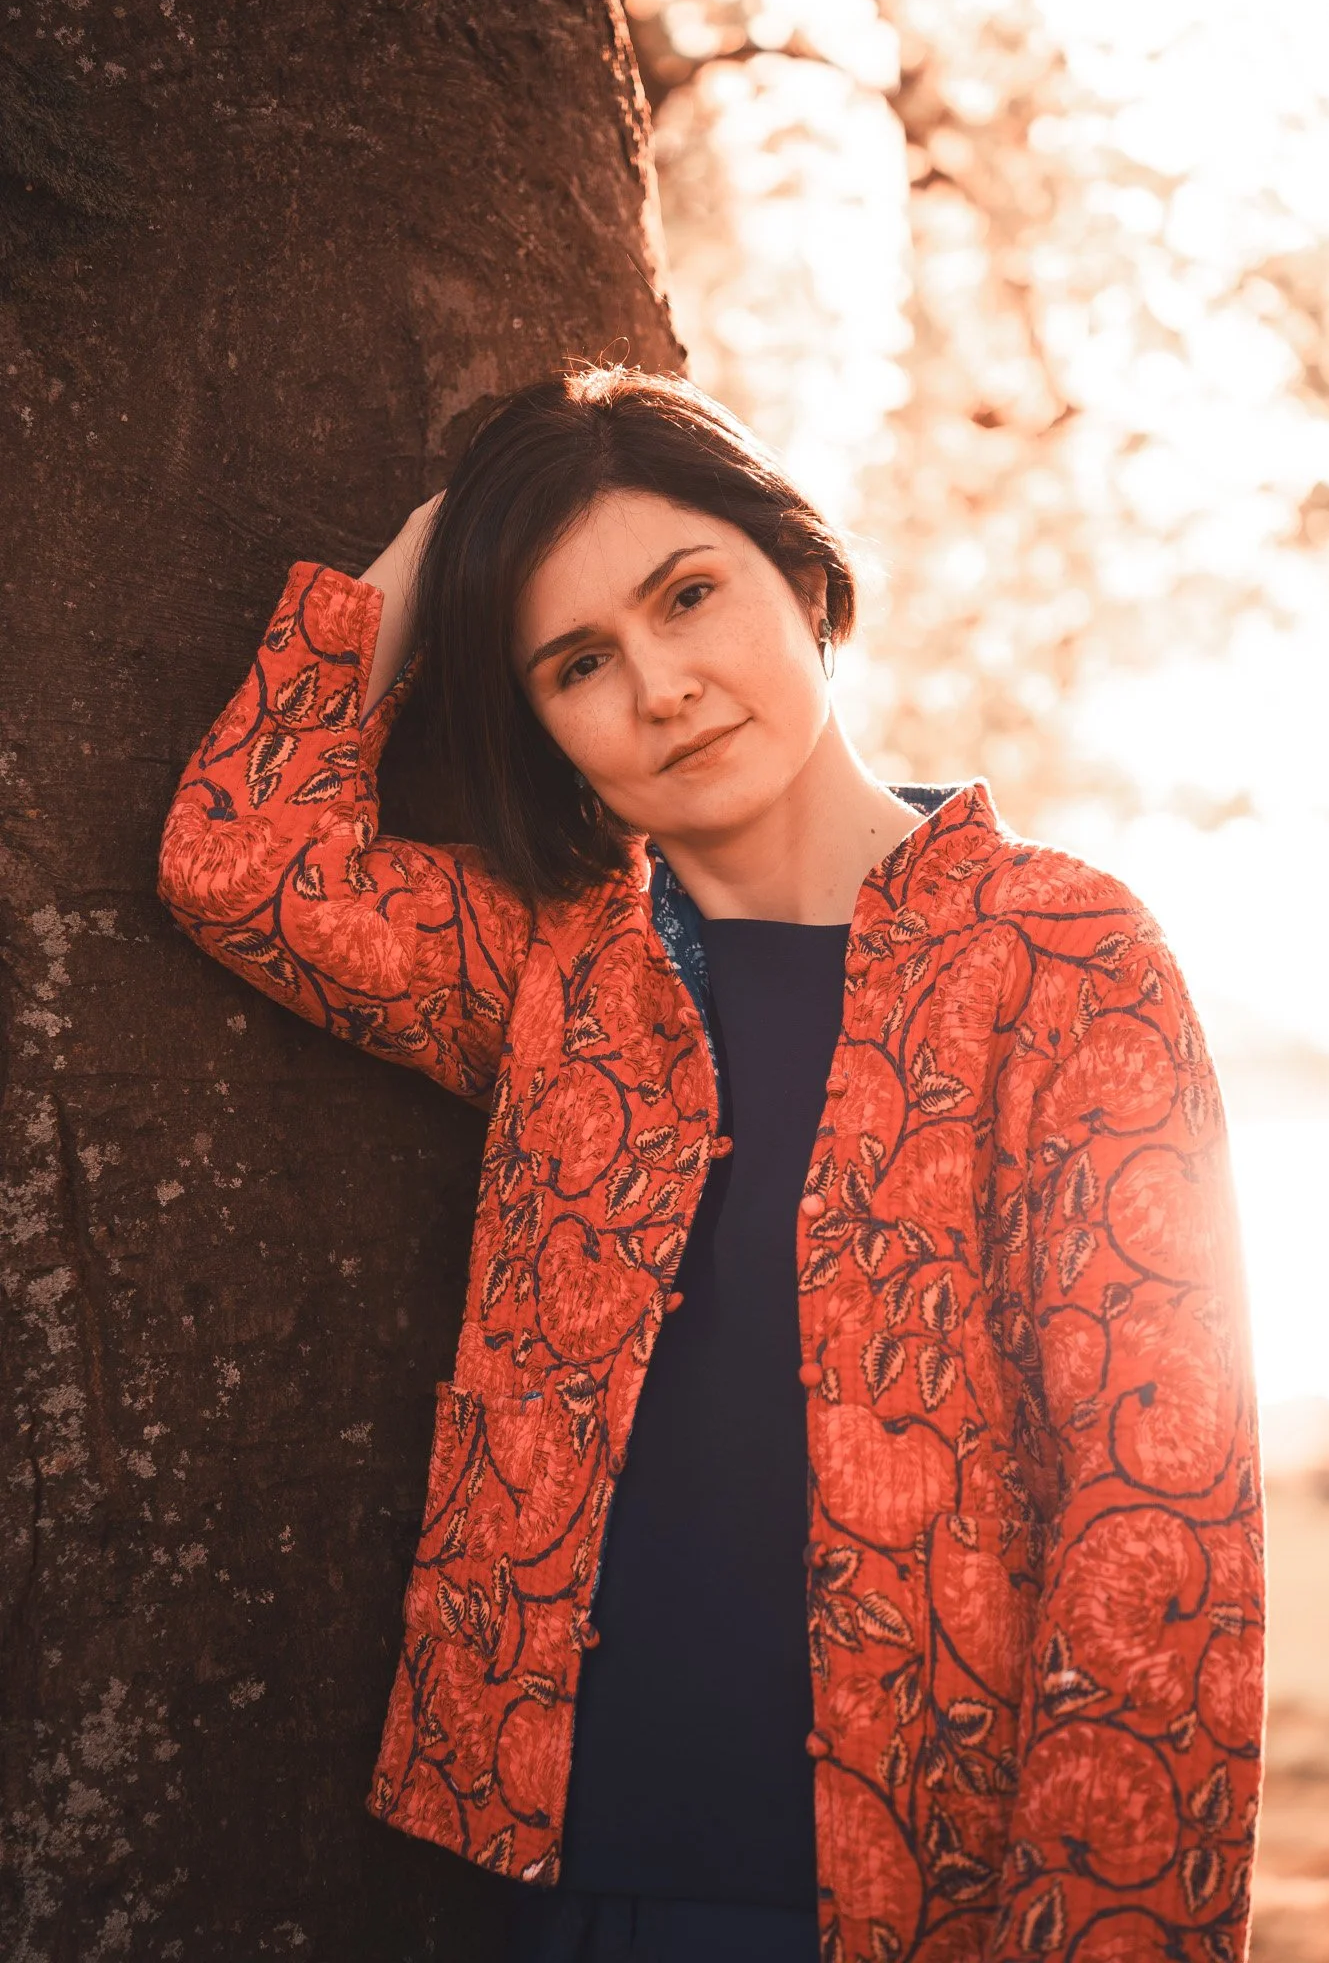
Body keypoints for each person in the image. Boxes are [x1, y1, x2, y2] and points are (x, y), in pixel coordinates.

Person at [157, 365, 1265, 1963]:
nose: (662, 684)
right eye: (579, 661)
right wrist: (437, 535)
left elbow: (1158, 1500)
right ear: (540, 724)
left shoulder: (1058, 955)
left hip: (910, 1892)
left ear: (805, 581)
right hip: (533, 1866)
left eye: (690, 596)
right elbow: (238, 855)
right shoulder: (552, 964)